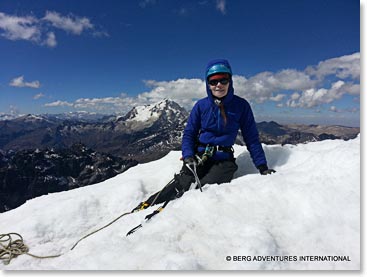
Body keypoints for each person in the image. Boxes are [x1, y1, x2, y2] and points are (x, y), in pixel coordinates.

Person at [132, 59, 275, 212]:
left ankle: (176, 214)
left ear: (230, 81)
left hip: (223, 161)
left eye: (223, 80)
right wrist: (188, 155)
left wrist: (262, 167)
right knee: (182, 183)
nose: (218, 85)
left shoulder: (241, 106)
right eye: (213, 81)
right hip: (199, 155)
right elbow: (189, 133)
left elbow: (251, 137)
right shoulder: (201, 106)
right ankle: (144, 207)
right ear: (208, 84)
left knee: (205, 190)